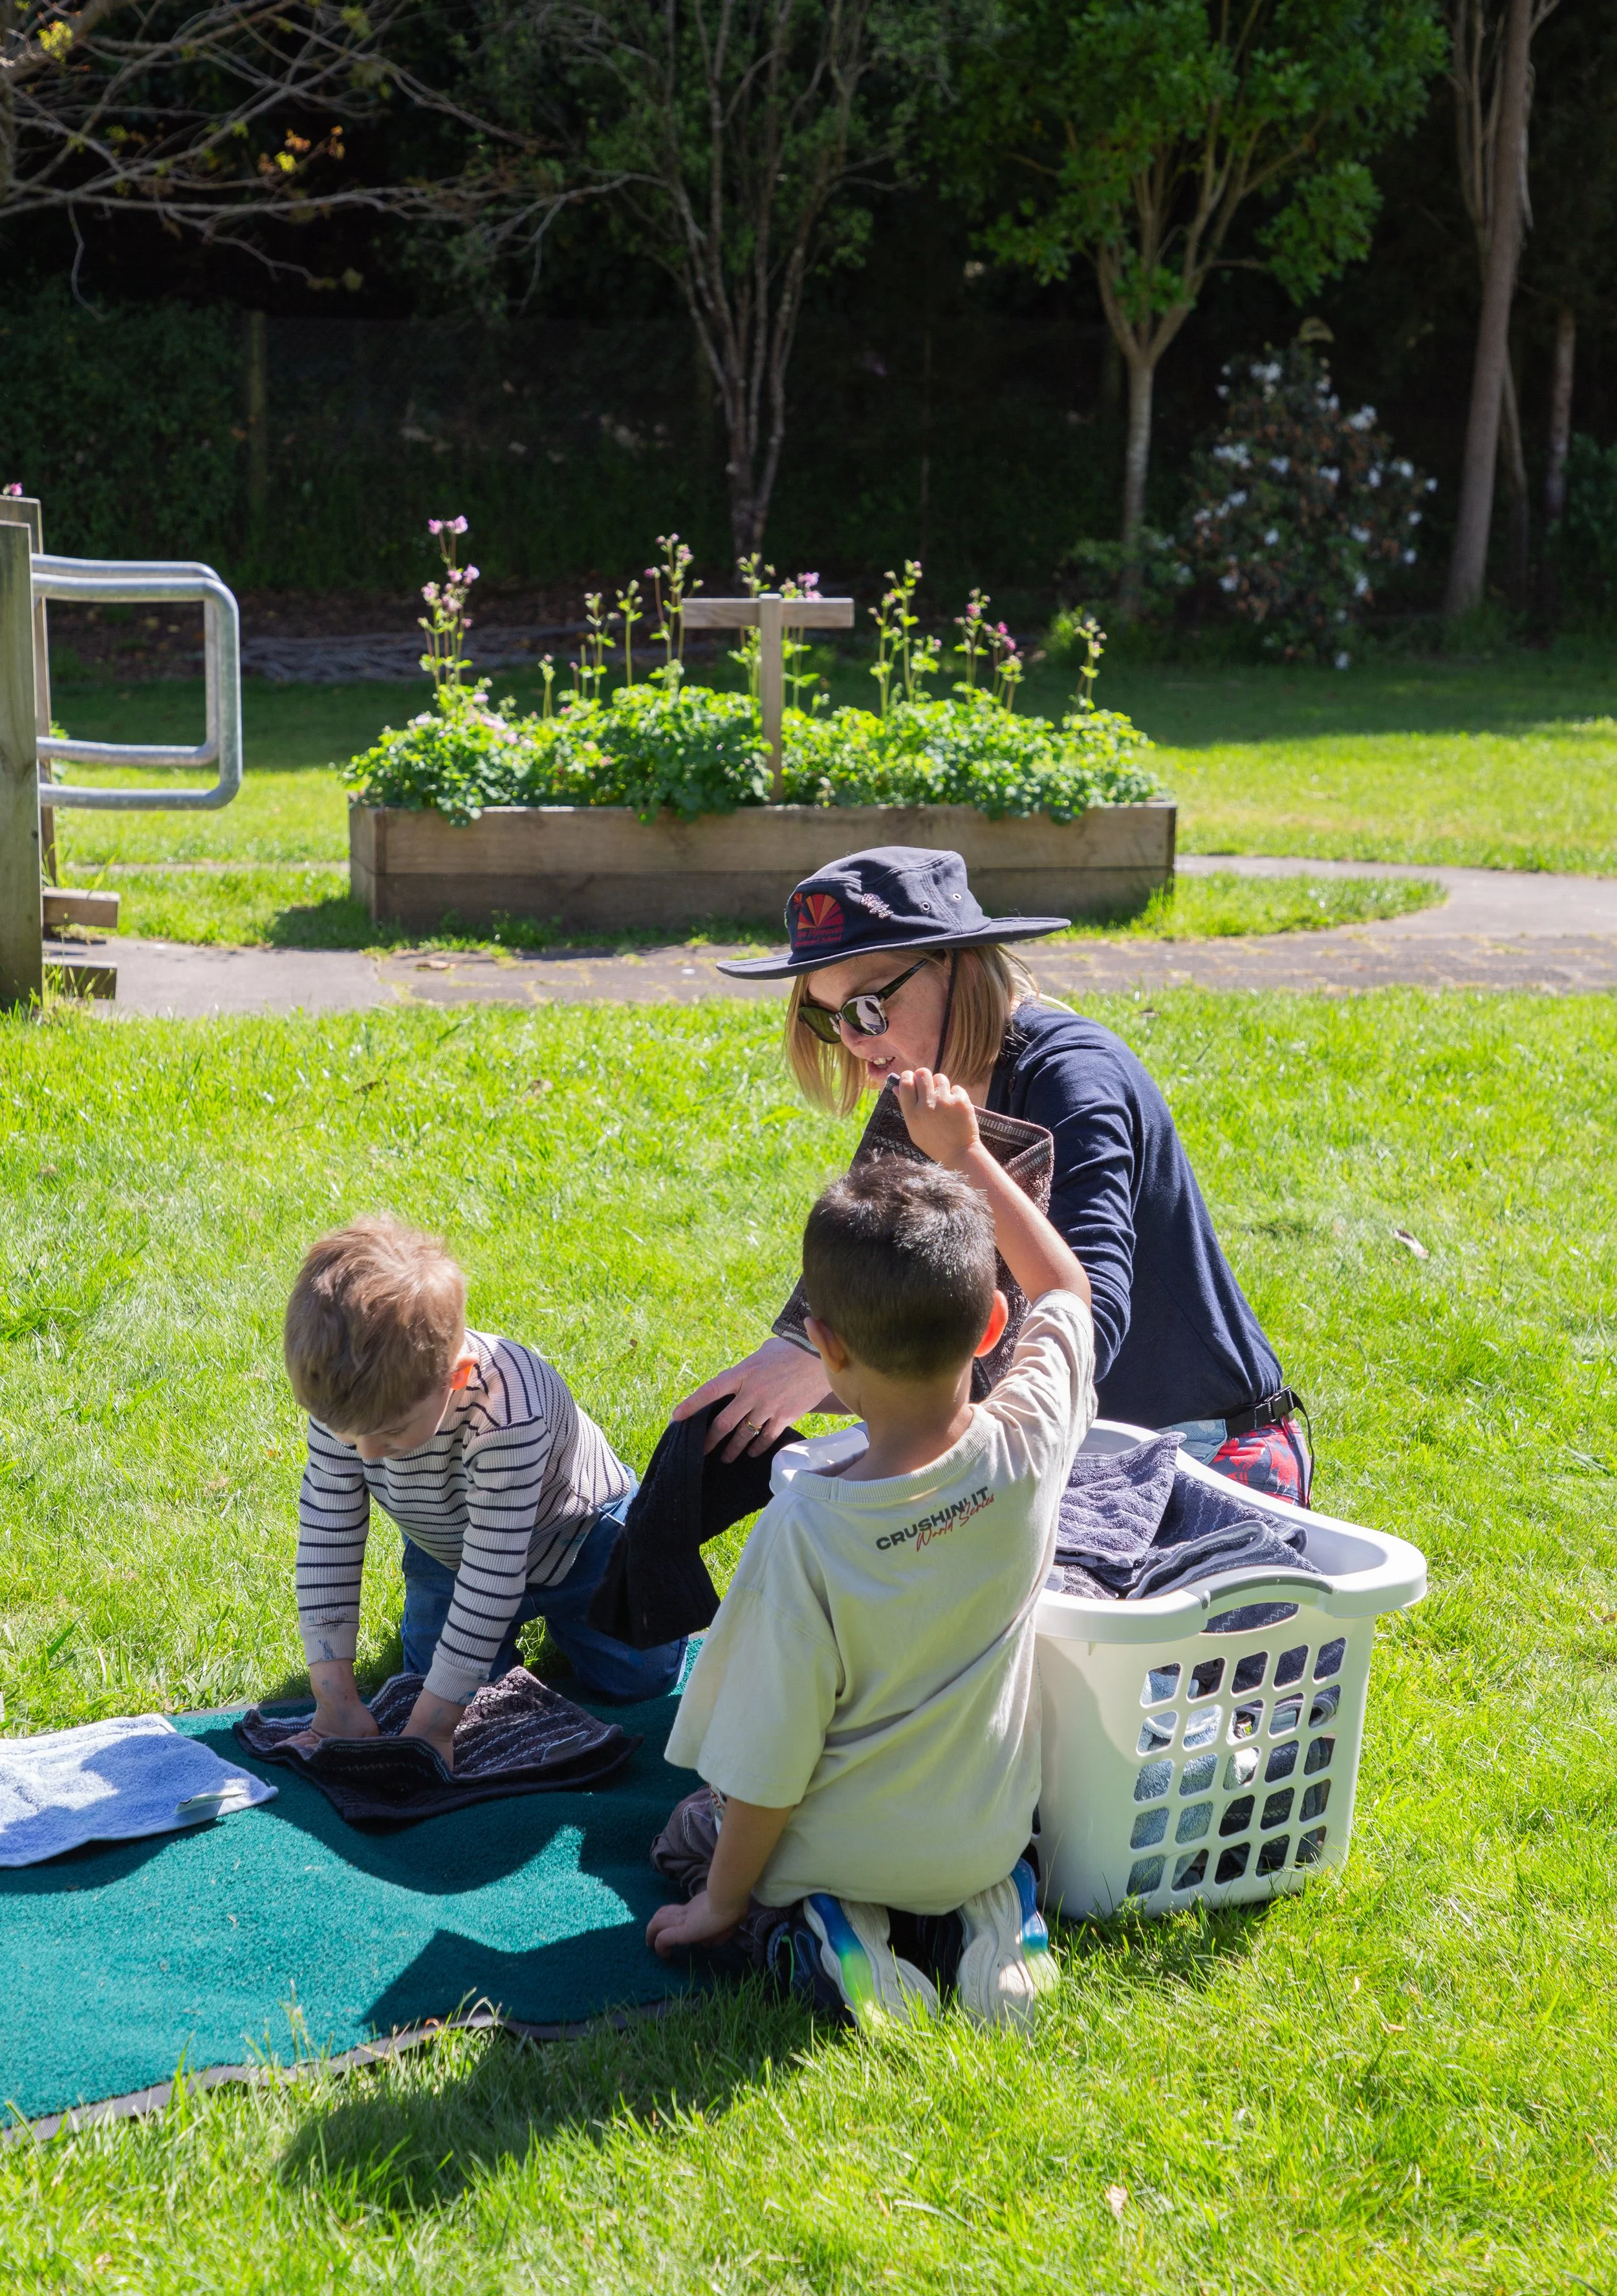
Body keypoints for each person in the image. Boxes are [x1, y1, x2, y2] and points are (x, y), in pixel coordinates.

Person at [646, 1067, 1096, 2033]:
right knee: (960, 1857)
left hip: (836, 1849)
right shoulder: (1027, 1445)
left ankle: (824, 1932)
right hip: (982, 1837)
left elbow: (764, 1765)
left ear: (824, 1348)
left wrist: (721, 1903)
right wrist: (967, 1151)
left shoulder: (804, 1532)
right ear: (991, 1324)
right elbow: (1067, 1283)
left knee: (690, 1834)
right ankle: (993, 1913)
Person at [679, 845, 1310, 1504]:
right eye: (827, 1017)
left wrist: (826, 1370)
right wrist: (809, 1359)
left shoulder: (1070, 1075)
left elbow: (1086, 1322)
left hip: (1201, 1451)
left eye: (868, 1007)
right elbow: (903, 1310)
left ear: (955, 966)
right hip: (1060, 1445)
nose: (853, 1042)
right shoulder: (922, 1096)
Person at [282, 1216, 680, 1770]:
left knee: (639, 1679)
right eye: (352, 1435)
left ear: (457, 1378)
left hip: (581, 1538)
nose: (367, 1454)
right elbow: (327, 1537)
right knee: (436, 1684)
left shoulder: (510, 1413)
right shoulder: (350, 1408)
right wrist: (335, 1701)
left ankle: (611, 1596)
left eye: (392, 1433)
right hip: (449, 1549)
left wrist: (430, 1727)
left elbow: (495, 1573)